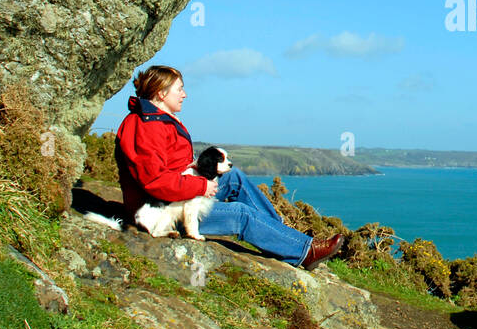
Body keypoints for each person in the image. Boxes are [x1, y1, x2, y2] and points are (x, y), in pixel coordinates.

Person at [114, 64, 344, 270]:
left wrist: (198, 178)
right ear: (161, 93)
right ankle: (305, 252)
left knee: (233, 177)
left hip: (179, 196)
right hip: (166, 213)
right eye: (179, 89)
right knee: (242, 214)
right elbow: (155, 181)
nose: (184, 94)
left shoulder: (157, 119)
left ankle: (281, 237)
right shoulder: (145, 126)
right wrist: (200, 186)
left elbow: (172, 169)